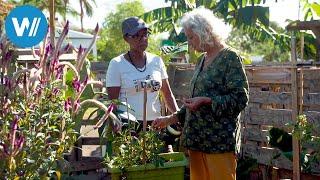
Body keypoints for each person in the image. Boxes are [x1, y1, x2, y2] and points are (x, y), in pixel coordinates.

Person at [152, 7, 249, 180]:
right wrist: (170, 119)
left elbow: (240, 98)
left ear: (205, 32)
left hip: (218, 144)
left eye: (191, 37)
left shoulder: (230, 57)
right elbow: (193, 105)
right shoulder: (201, 60)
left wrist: (207, 100)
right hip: (197, 142)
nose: (189, 43)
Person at [106, 16, 178, 133]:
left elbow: (167, 94)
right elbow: (112, 102)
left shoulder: (156, 61)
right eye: (136, 36)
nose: (143, 39)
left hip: (156, 124)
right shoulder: (117, 64)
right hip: (128, 127)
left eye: (145, 34)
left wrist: (178, 116)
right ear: (126, 38)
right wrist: (114, 126)